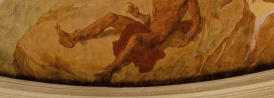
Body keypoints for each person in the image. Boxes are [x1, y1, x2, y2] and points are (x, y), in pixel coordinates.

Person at [56, 0, 202, 82]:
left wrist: (187, 39)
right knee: (111, 16)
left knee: (135, 38)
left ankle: (110, 69)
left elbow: (196, 19)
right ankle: (73, 37)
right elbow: (152, 20)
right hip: (145, 28)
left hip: (156, 37)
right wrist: (137, 14)